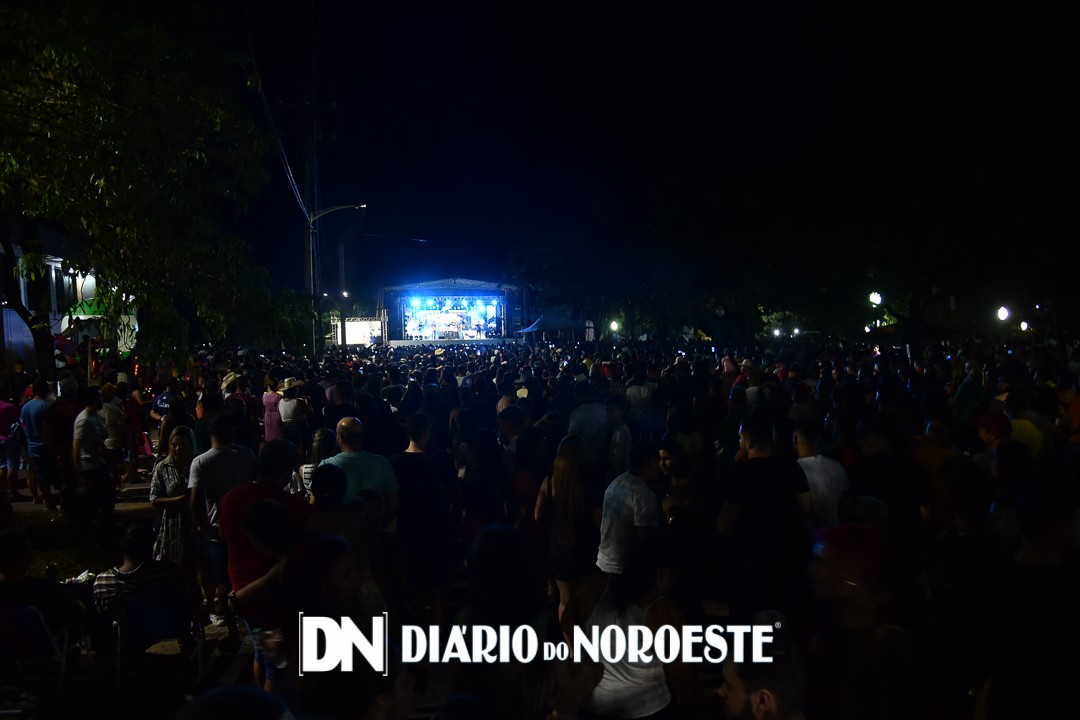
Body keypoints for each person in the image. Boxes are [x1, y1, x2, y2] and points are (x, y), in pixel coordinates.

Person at [535, 435, 602, 620]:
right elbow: (598, 523)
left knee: (565, 600)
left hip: (558, 545)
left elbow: (537, 515)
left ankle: (568, 638)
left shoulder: (549, 482)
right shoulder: (589, 485)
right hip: (585, 546)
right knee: (587, 598)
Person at [595, 442, 660, 575]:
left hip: (603, 558)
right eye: (657, 461)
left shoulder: (616, 482)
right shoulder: (644, 493)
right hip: (622, 565)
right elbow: (642, 538)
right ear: (649, 463)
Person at [319, 417, 398, 518]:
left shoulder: (327, 465)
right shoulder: (382, 462)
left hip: (340, 526)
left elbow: (316, 503)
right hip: (372, 525)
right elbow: (394, 500)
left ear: (340, 437)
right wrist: (382, 524)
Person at [150, 426, 198, 584]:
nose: (178, 449)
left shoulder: (197, 463)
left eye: (182, 445)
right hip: (174, 525)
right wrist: (180, 500)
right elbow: (154, 499)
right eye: (174, 444)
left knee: (198, 565)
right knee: (176, 568)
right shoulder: (163, 467)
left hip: (196, 523)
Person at [72, 386, 113, 534]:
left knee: (105, 499)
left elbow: (98, 441)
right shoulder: (83, 420)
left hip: (98, 464)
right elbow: (76, 447)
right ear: (94, 400)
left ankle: (103, 528)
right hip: (90, 467)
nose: (102, 400)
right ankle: (95, 530)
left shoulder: (93, 416)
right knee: (96, 501)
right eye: (99, 398)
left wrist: (108, 458)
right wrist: (78, 473)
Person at [793, 417, 848, 527]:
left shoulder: (792, 471)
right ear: (820, 439)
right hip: (835, 532)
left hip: (808, 534)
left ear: (794, 439)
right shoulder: (837, 466)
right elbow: (845, 503)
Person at [20, 379, 58, 510]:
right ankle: (52, 501)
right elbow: (50, 429)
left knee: (40, 475)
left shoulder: (25, 407)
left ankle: (48, 500)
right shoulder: (46, 406)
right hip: (45, 446)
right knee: (53, 474)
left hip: (31, 446)